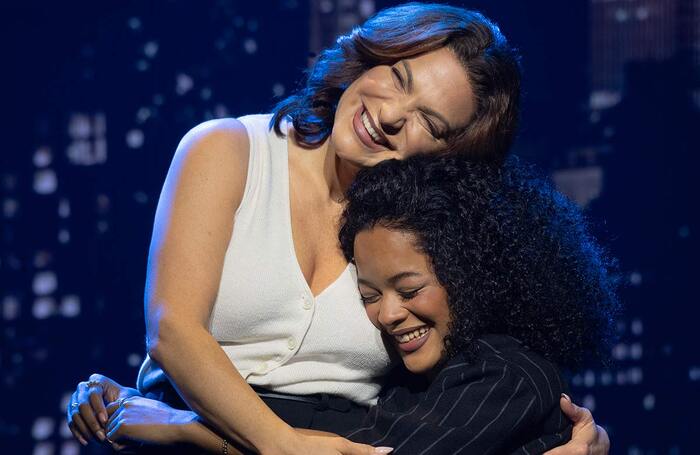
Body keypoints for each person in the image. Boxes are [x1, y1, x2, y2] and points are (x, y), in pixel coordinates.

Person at [67, 3, 610, 454]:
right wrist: (278, 444)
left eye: (430, 121)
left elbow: (499, 370)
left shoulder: (429, 232)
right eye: (398, 78)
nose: (394, 114)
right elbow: (173, 332)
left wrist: (574, 438)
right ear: (368, 58)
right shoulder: (228, 150)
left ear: (449, 156)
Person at [92, 154, 619, 454]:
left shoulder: (506, 375)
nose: (387, 314)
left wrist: (177, 425)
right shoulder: (417, 374)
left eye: (409, 290)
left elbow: (353, 452)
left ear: (470, 274)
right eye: (369, 295)